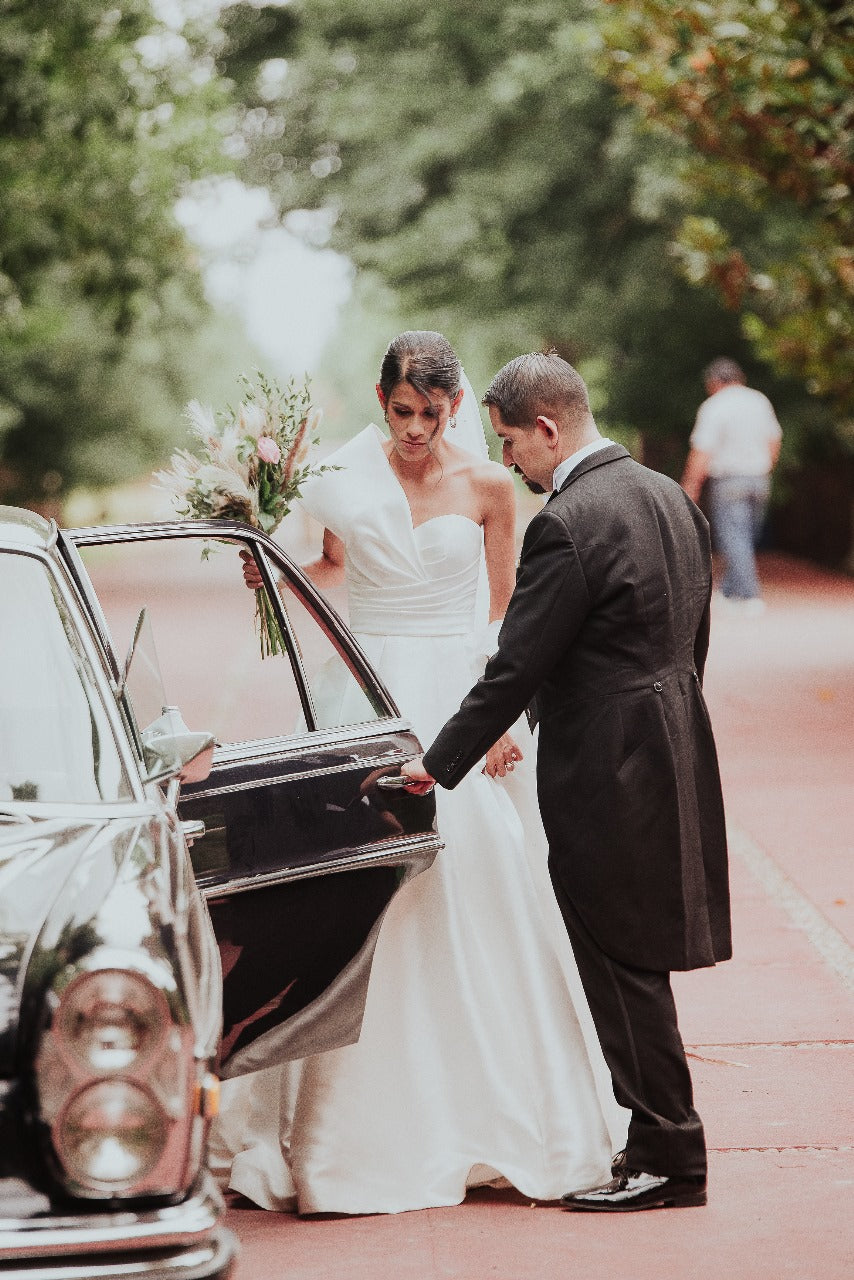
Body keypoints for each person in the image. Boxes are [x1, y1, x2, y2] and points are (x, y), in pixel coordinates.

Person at [210, 331, 626, 1215]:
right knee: (357, 889)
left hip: (461, 696)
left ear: (454, 408)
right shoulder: (331, 478)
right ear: (381, 397)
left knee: (481, 880)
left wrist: (504, 715)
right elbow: (325, 568)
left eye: (434, 417)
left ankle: (503, 1117)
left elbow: (509, 606)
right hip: (365, 694)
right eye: (403, 413)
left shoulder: (486, 486)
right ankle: (342, 1131)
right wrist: (266, 577)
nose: (417, 432)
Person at [403, 351, 731, 1212]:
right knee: (642, 951)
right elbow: (690, 642)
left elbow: (515, 669)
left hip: (605, 766)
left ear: (546, 429)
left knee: (619, 960)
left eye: (511, 442)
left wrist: (434, 767)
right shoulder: (669, 497)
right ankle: (663, 1143)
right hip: (675, 742)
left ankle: (668, 1155)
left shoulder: (568, 521)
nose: (508, 460)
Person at [681, 357, 782, 613]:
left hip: (729, 479)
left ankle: (749, 596)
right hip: (759, 478)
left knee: (734, 536)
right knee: (746, 534)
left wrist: (691, 484)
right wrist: (765, 467)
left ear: (715, 382)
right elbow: (774, 440)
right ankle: (730, 591)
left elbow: (703, 449)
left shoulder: (715, 406)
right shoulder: (759, 401)